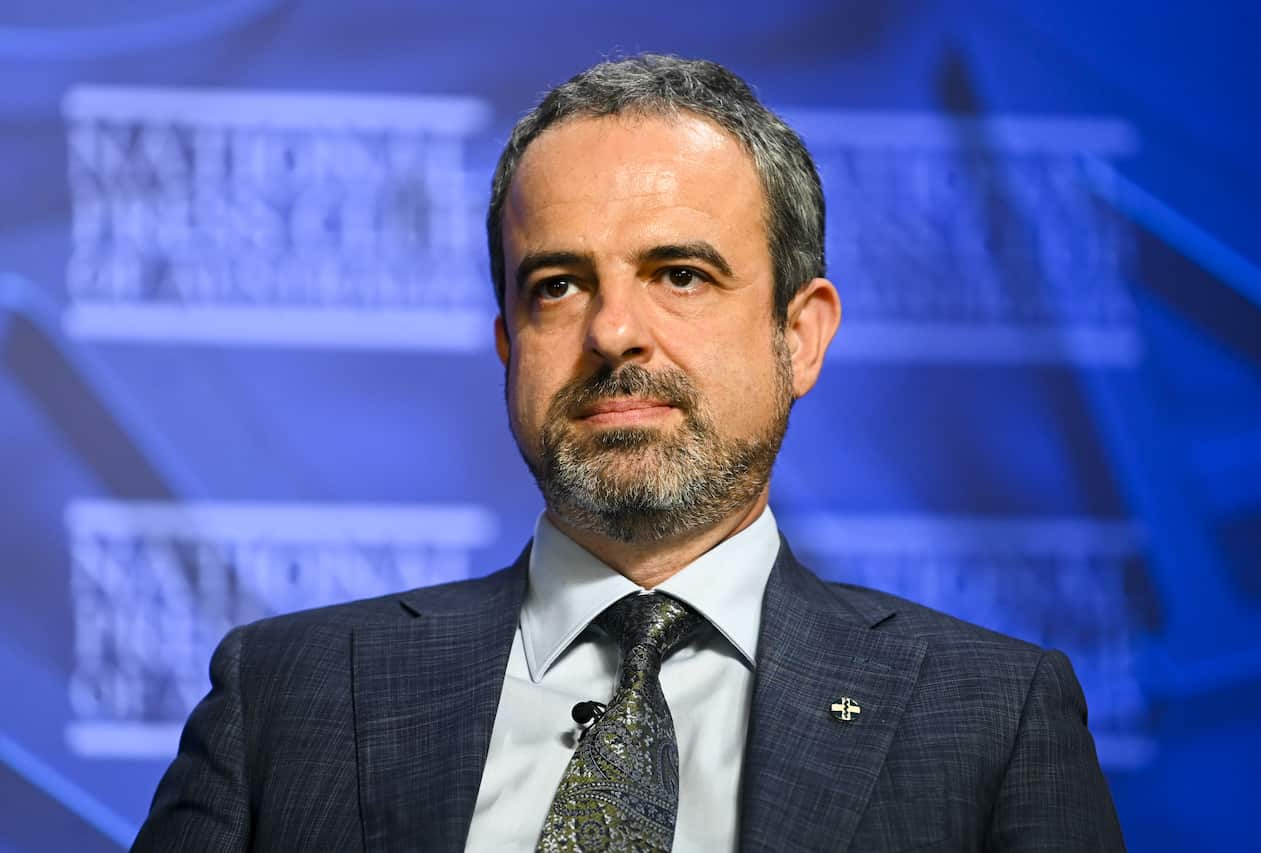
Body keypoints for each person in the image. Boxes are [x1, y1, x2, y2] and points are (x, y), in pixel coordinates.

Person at [132, 55, 1125, 852]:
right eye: (557, 286)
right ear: (506, 346)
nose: (613, 333)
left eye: (679, 274)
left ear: (800, 337)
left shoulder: (991, 718)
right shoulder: (284, 697)